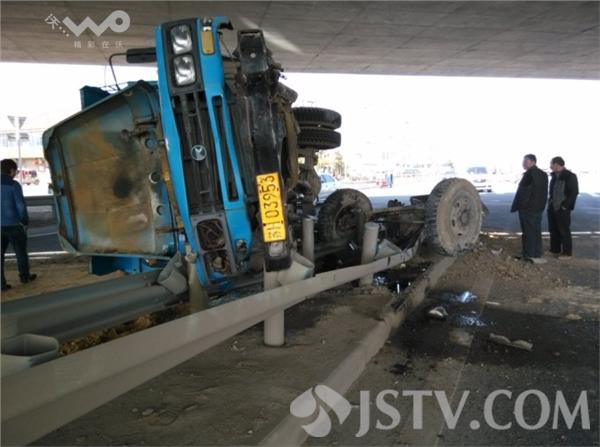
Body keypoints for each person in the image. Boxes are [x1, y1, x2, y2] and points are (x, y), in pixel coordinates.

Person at [1, 159, 36, 291]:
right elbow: (20, 206)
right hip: (14, 224)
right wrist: (24, 221)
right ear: (11, 171)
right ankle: (25, 277)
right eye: (15, 171)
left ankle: (2, 284)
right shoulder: (14, 185)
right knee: (20, 253)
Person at [510, 154, 548, 262]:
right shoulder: (543, 174)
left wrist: (523, 205)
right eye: (523, 161)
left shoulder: (531, 174)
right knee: (536, 231)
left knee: (528, 232)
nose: (523, 163)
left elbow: (525, 193)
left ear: (533, 162)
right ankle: (536, 253)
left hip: (528, 209)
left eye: (526, 161)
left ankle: (528, 254)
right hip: (538, 207)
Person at [548, 156, 579, 258]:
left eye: (551, 164)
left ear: (557, 164)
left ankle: (567, 253)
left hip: (562, 209)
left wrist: (565, 206)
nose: (550, 166)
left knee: (564, 230)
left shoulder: (570, 176)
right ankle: (555, 249)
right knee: (553, 229)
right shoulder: (554, 176)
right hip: (552, 206)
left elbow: (574, 193)